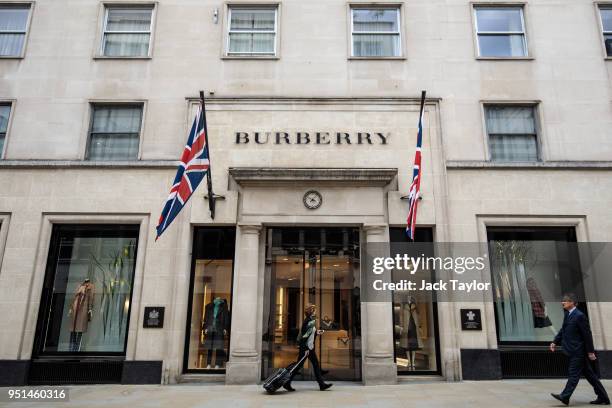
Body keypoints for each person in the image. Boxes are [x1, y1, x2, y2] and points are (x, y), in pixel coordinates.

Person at [550, 293, 610, 406]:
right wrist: (555, 341)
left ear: (572, 302)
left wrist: (590, 351)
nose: (563, 302)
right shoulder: (568, 314)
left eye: (565, 301)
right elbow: (563, 330)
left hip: (578, 351)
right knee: (591, 376)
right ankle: (603, 397)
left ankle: (565, 396)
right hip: (572, 350)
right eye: (563, 300)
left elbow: (587, 335)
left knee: (573, 374)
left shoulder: (579, 316)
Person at [283, 304, 332, 392]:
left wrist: (317, 332)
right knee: (298, 366)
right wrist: (307, 349)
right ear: (311, 311)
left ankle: (321, 384)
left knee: (315, 364)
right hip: (306, 348)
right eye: (314, 310)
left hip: (308, 347)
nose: (316, 311)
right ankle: (287, 382)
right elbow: (305, 336)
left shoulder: (310, 320)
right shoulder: (308, 321)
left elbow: (310, 333)